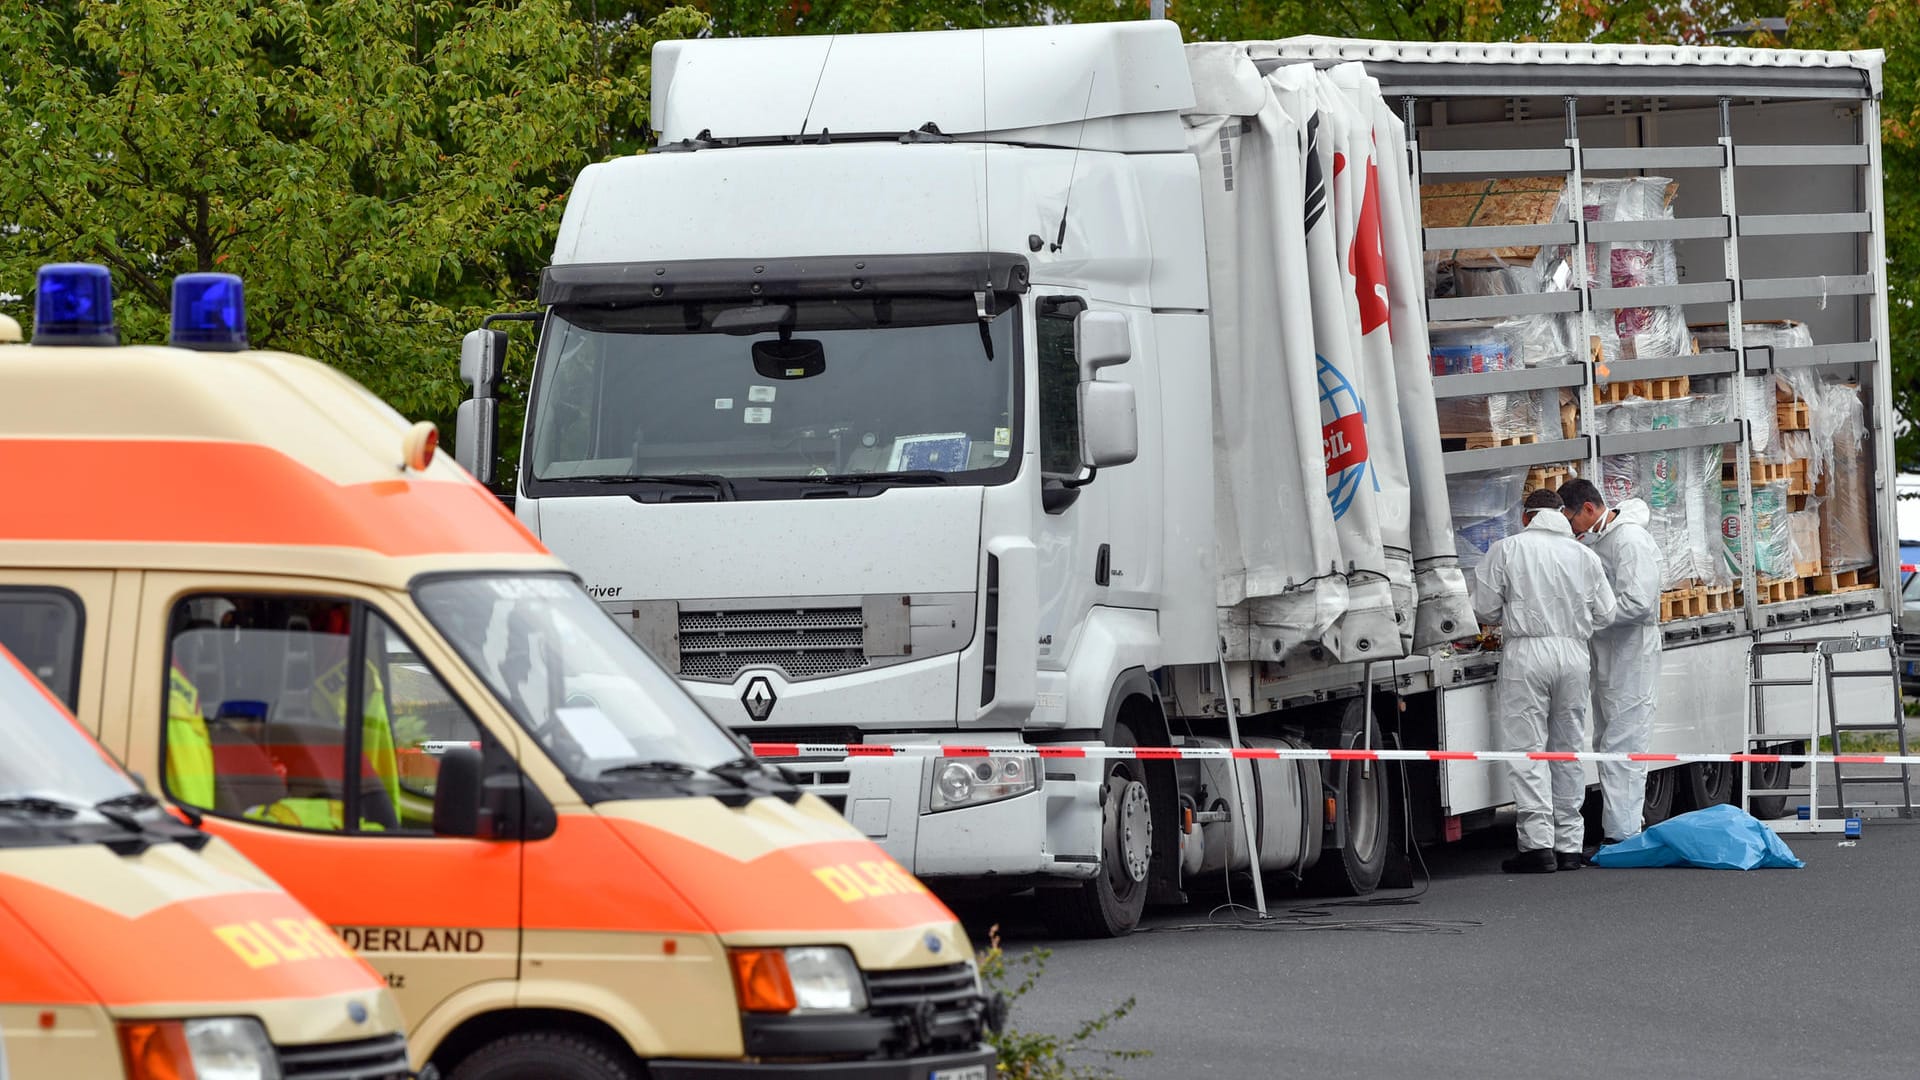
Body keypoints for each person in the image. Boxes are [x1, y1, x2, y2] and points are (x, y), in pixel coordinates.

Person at [1471, 486, 1618, 873]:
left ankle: (1537, 845)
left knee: (1529, 749)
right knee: (1566, 748)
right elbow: (1606, 612)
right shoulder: (1584, 555)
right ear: (1561, 515)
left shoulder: (1507, 549)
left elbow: (1483, 607)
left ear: (1525, 516)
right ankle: (1570, 845)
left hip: (1527, 651)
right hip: (1573, 652)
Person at [1561, 478, 1662, 847]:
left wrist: (1592, 616)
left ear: (1589, 508)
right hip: (1610, 652)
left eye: (1572, 519)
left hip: (1631, 653)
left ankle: (1622, 836)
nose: (1571, 529)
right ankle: (1618, 831)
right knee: (1609, 741)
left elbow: (1638, 602)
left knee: (1625, 742)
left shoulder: (1629, 540)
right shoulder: (1599, 539)